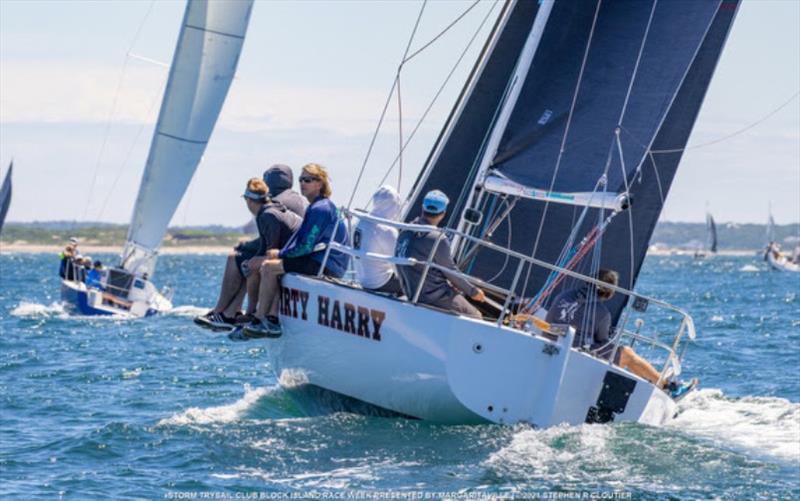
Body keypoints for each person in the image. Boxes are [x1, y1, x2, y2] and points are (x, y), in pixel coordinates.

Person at [544, 269, 694, 397]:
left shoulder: (564, 295)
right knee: (626, 353)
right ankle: (666, 387)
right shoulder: (602, 313)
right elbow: (602, 341)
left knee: (613, 354)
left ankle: (651, 379)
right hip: (573, 352)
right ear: (610, 293)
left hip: (547, 340)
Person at [243, 163, 349, 337]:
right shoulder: (318, 206)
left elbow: (305, 246)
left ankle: (260, 319)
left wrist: (280, 254)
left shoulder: (320, 209)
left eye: (308, 180)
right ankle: (270, 317)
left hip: (326, 265)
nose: (302, 183)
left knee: (269, 268)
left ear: (319, 184)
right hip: (323, 261)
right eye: (301, 179)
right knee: (273, 265)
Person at [195, 178, 301, 330]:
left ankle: (248, 314)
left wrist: (255, 262)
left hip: (293, 257)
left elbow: (272, 251)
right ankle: (231, 313)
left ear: (250, 201)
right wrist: (251, 262)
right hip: (287, 254)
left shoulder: (268, 215)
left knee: (258, 267)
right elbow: (264, 247)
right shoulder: (266, 211)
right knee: (249, 265)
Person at [395, 190, 485, 319]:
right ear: (443, 214)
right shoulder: (437, 239)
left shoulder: (405, 231)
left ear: (423, 208)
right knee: (477, 317)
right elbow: (450, 270)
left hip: (411, 292)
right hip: (433, 297)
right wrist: (473, 291)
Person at [354, 185, 404, 295]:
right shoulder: (387, 230)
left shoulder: (362, 221)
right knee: (417, 286)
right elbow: (398, 264)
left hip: (363, 279)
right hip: (380, 283)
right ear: (394, 205)